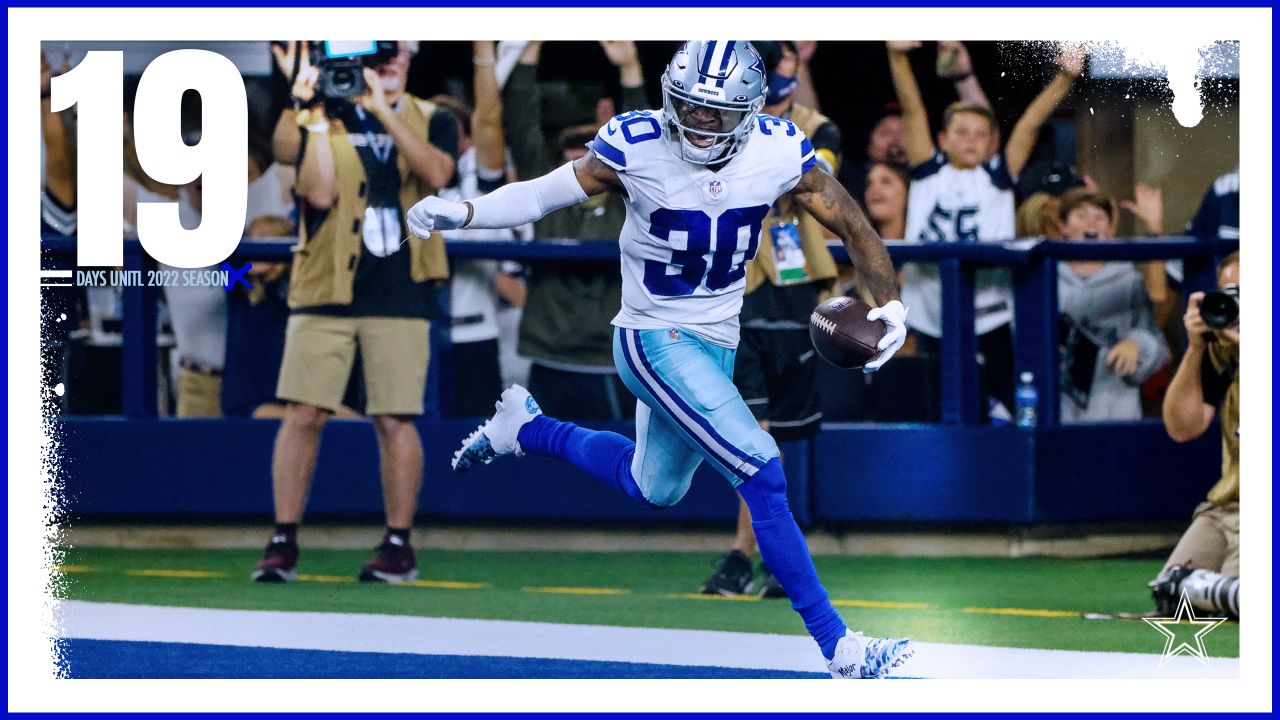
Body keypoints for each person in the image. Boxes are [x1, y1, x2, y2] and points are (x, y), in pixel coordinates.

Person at [411, 41, 912, 679]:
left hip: (715, 340)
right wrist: (466, 210)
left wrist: (891, 306)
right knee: (763, 471)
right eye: (690, 108)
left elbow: (853, 226)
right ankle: (841, 647)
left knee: (657, 488)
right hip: (652, 337)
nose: (700, 125)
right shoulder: (637, 142)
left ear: (751, 112)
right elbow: (544, 195)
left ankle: (527, 428)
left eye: (717, 114)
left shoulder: (779, 148)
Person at [252, 40, 454, 584]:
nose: (388, 64)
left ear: (411, 60)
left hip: (402, 286)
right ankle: (282, 537)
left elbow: (437, 175)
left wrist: (384, 109)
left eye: (397, 56)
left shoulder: (433, 117)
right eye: (378, 56)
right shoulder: (323, 110)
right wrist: (310, 112)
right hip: (325, 283)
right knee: (303, 413)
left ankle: (397, 543)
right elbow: (314, 190)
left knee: (395, 417)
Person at [699, 40, 843, 600]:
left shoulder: (817, 130)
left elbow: (811, 183)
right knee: (752, 431)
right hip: (733, 289)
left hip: (797, 288)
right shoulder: (718, 118)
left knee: (786, 431)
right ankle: (747, 555)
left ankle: (768, 555)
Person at [889, 40, 1082, 416]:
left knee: (997, 411)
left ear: (993, 142)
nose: (972, 140)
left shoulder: (998, 176)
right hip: (929, 313)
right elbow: (913, 112)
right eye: (961, 132)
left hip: (989, 314)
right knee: (932, 412)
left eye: (981, 133)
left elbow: (1029, 125)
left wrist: (1063, 79)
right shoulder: (929, 171)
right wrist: (896, 56)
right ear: (943, 139)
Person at [507, 41, 647, 420]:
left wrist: (631, 68)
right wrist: (530, 42)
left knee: (617, 467)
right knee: (543, 465)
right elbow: (521, 121)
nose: (578, 153)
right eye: (569, 145)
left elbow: (649, 148)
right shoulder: (548, 194)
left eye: (588, 144)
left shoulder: (632, 197)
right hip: (549, 355)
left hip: (612, 359)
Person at [434, 42, 529, 417]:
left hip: (476, 337)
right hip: (417, 332)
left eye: (447, 131)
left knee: (478, 449)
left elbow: (488, 120)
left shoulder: (478, 184)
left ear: (465, 141)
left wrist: (484, 49)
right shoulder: (405, 182)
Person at [1150, 252, 1240, 620]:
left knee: (1241, 599)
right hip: (1227, 508)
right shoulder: (1223, 348)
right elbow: (1182, 428)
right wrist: (1196, 347)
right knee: (1173, 596)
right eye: (1231, 293)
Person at [1055, 188, 1169, 422]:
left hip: (1115, 416)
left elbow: (1159, 347)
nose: (1091, 223)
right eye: (1082, 215)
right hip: (1057, 418)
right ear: (1064, 227)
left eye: (1099, 217)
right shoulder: (1046, 278)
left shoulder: (1129, 281)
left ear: (1109, 230)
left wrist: (1137, 344)